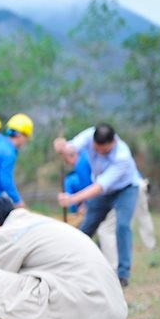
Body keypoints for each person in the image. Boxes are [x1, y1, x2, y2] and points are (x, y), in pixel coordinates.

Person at [54, 123, 142, 287]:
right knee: (86, 228)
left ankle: (123, 274)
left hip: (125, 189)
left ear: (113, 142)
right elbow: (71, 147)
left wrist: (73, 199)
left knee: (122, 226)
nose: (100, 153)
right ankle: (68, 266)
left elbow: (100, 186)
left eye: (105, 151)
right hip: (102, 191)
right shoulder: (90, 135)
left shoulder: (122, 156)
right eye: (97, 149)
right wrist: (62, 147)